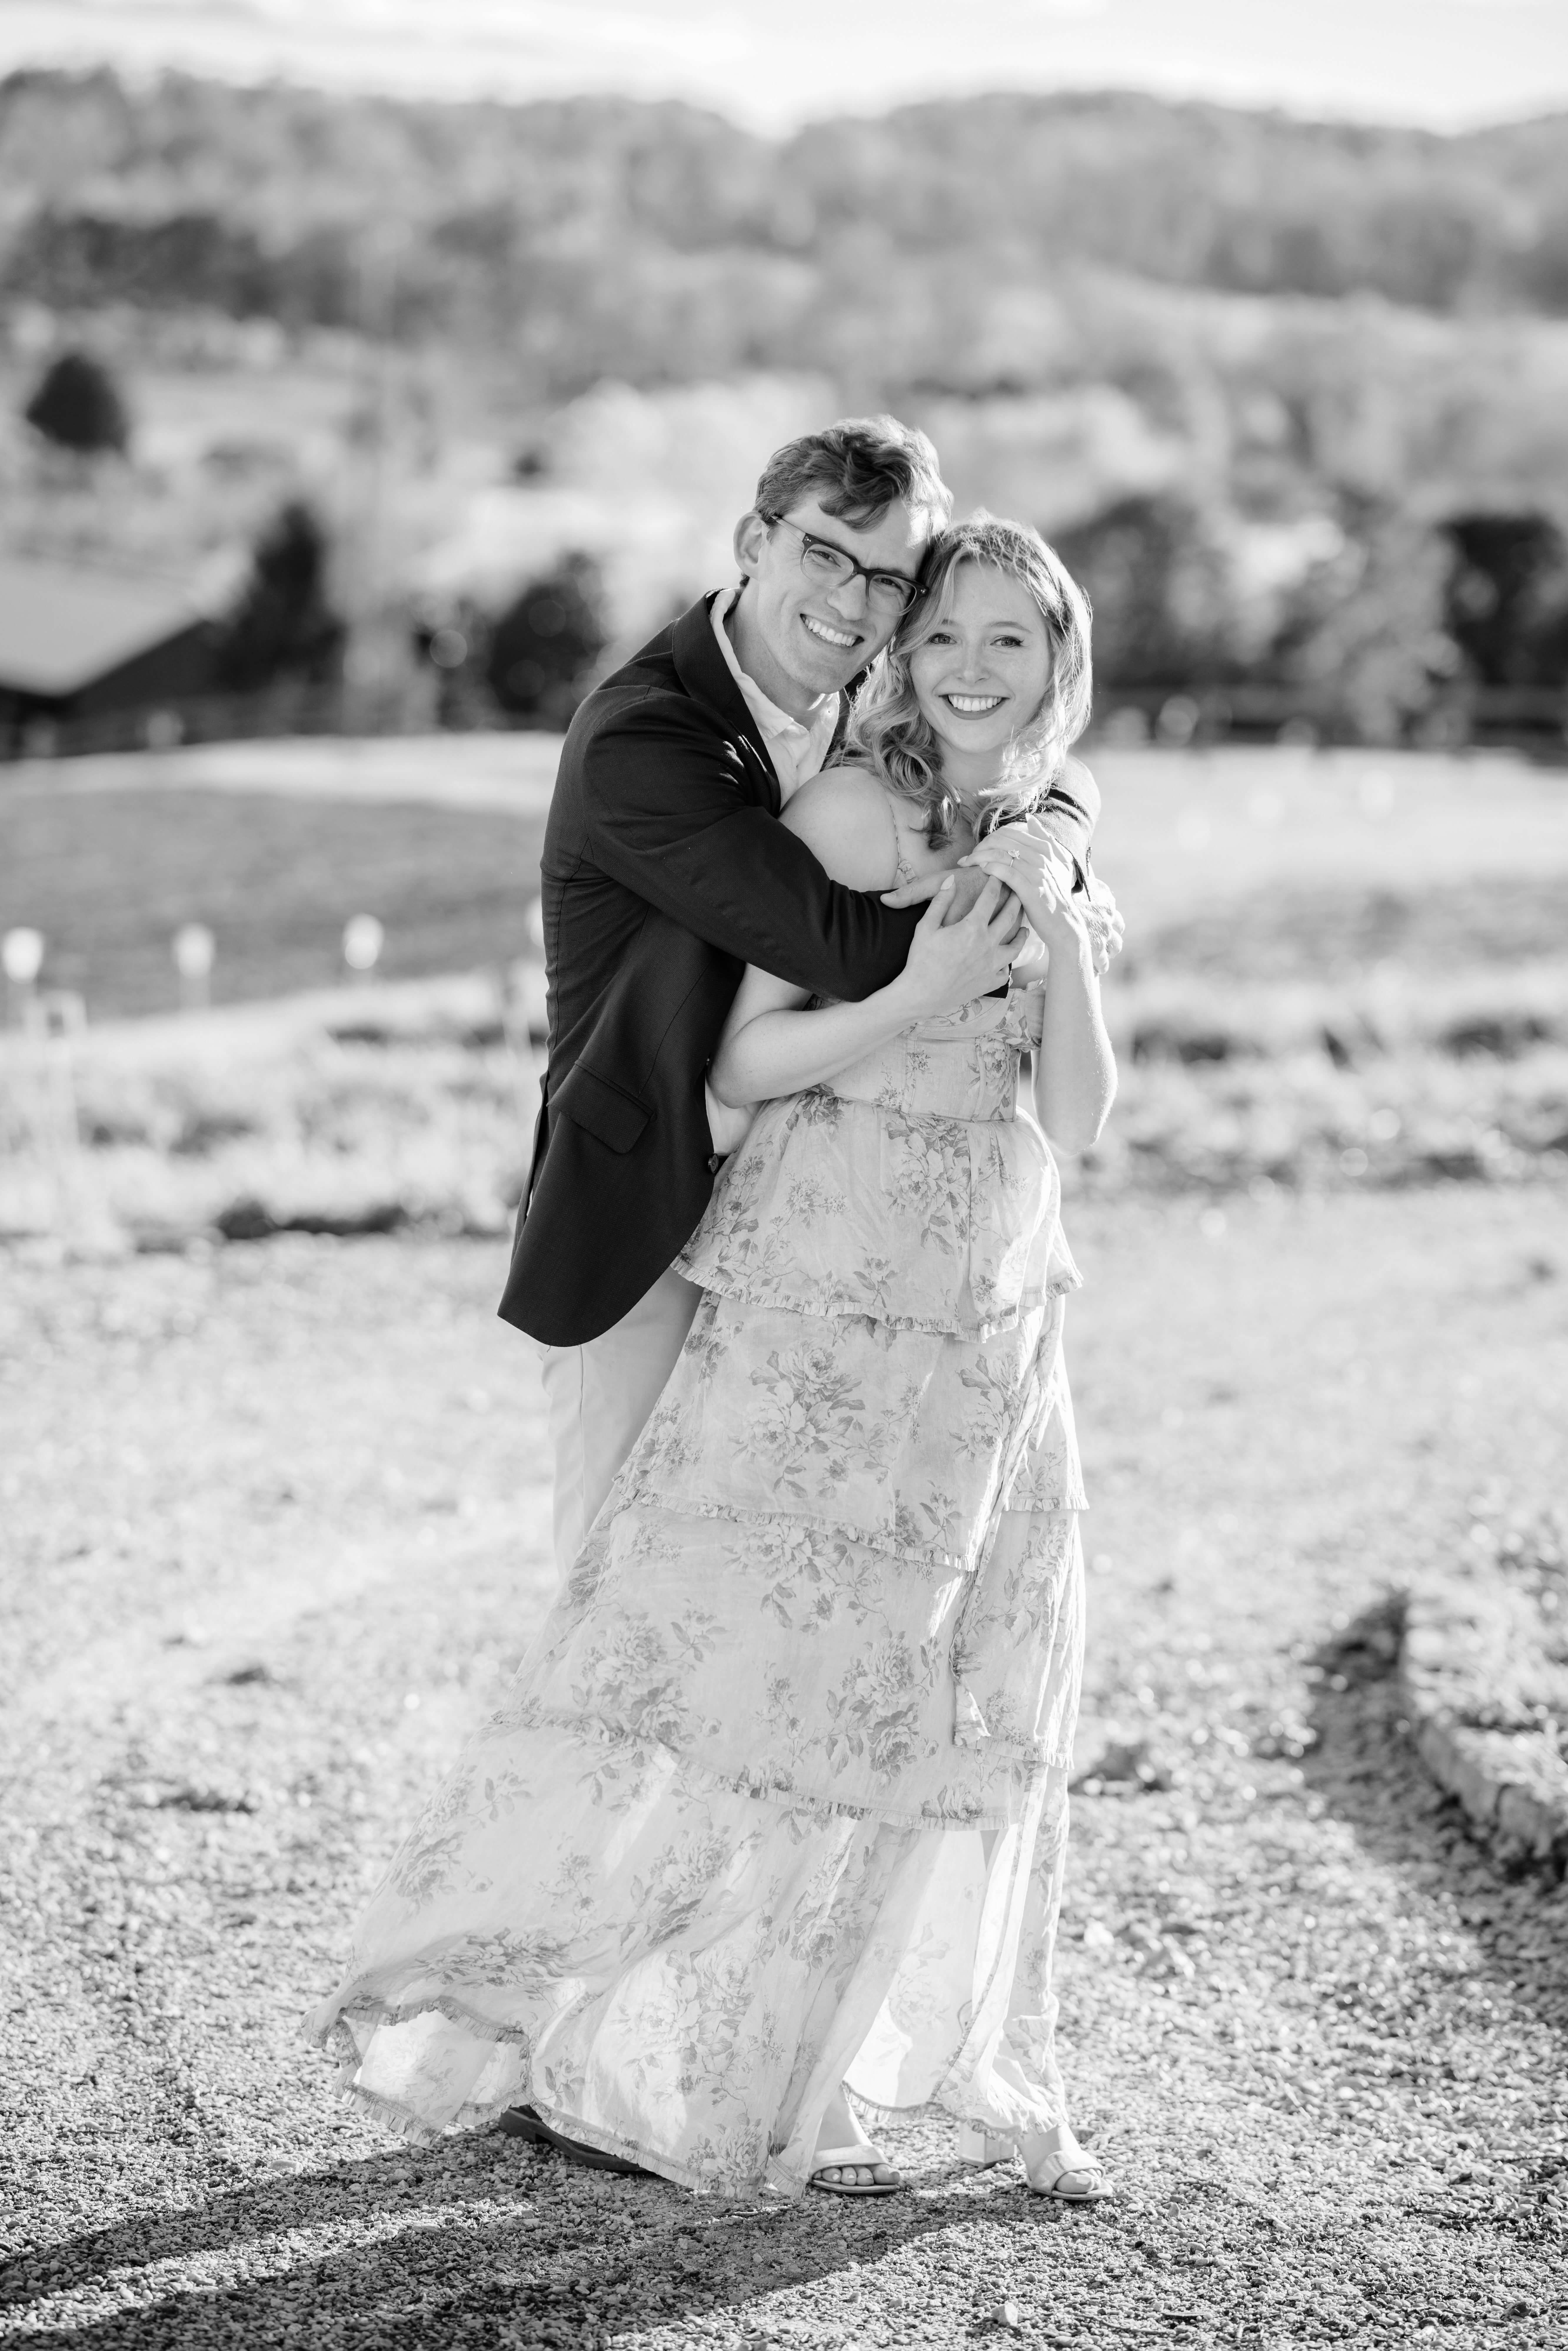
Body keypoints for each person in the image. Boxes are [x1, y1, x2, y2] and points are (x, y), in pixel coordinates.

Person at [307, 510, 1117, 2204]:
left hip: (984, 1304)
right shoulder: (843, 806)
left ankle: (820, 2060)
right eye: (947, 634)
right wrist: (936, 969)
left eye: (1009, 644)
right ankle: (665, 2039)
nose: (972, 668)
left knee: (918, 1694)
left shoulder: (1057, 837)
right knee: (769, 1672)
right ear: (908, 652)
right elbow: (748, 1061)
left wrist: (1050, 930)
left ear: (1059, 666)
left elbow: (1079, 1115)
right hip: (831, 1285)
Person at [492, 416, 1109, 1585]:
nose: (853, 601)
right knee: (621, 1586)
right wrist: (1018, 917)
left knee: (780, 1589)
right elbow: (835, 940)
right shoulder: (646, 737)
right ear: (752, 541)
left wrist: (1058, 837)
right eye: (825, 555)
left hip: (811, 1219)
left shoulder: (854, 693)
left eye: (887, 581)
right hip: (655, 1191)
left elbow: (1028, 746)